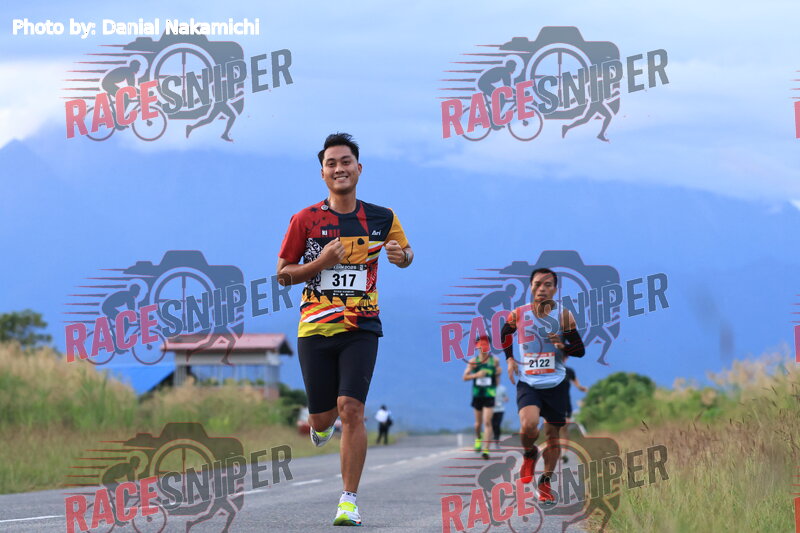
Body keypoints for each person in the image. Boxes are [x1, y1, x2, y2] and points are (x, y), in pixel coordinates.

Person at [277, 132, 413, 527]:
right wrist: (319, 263)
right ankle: (320, 427)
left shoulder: (383, 217)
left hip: (361, 325)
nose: (339, 168)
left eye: (345, 161)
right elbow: (283, 275)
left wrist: (401, 255)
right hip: (315, 329)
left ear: (359, 168)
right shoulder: (305, 220)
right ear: (322, 173)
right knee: (323, 419)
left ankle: (348, 501)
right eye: (331, 163)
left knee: (351, 409)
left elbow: (406, 254)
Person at [500, 268, 586, 504]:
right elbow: (505, 334)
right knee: (528, 425)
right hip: (528, 382)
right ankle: (530, 453)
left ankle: (545, 482)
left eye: (548, 285)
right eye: (537, 284)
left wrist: (563, 346)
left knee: (553, 436)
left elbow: (580, 349)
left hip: (556, 384)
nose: (542, 289)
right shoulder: (519, 314)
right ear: (531, 287)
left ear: (555, 289)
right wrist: (509, 359)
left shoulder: (564, 316)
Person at [463, 335, 501, 459]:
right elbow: (464, 377)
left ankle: (486, 450)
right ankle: (478, 438)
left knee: (487, 422)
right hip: (477, 395)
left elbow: (497, 379)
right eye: (481, 344)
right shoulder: (473, 361)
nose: (483, 347)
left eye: (486, 344)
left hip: (489, 395)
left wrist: (497, 373)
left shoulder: (494, 361)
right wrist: (476, 375)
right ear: (476, 346)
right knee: (478, 424)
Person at [491, 383, 509, 450]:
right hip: (491, 410)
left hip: (500, 409)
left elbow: (506, 398)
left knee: (497, 424)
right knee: (492, 425)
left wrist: (505, 399)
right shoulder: (489, 388)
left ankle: (497, 439)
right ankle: (493, 435)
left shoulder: (502, 388)